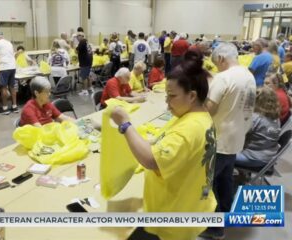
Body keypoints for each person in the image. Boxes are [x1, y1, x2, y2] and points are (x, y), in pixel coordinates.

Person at [111, 51, 216, 240]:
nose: (167, 104)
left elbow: (151, 160)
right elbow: (162, 142)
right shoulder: (199, 116)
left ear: (192, 96)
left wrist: (126, 125)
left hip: (175, 215)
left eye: (172, 96)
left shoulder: (189, 129)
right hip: (191, 202)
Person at [202, 43, 256, 239]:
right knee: (225, 180)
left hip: (219, 139)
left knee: (210, 185)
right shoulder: (248, 76)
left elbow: (210, 108)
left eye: (217, 63)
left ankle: (215, 228)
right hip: (236, 137)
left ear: (222, 59)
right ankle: (226, 215)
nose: (217, 67)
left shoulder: (223, 77)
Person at [235, 87, 281, 169]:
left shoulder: (256, 118)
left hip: (253, 158)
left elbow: (237, 133)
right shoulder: (276, 119)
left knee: (223, 155)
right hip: (268, 158)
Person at [0, 31, 18, 114]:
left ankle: (5, 108)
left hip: (4, 68)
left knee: (3, 87)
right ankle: (14, 106)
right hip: (12, 67)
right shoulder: (8, 43)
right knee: (12, 87)